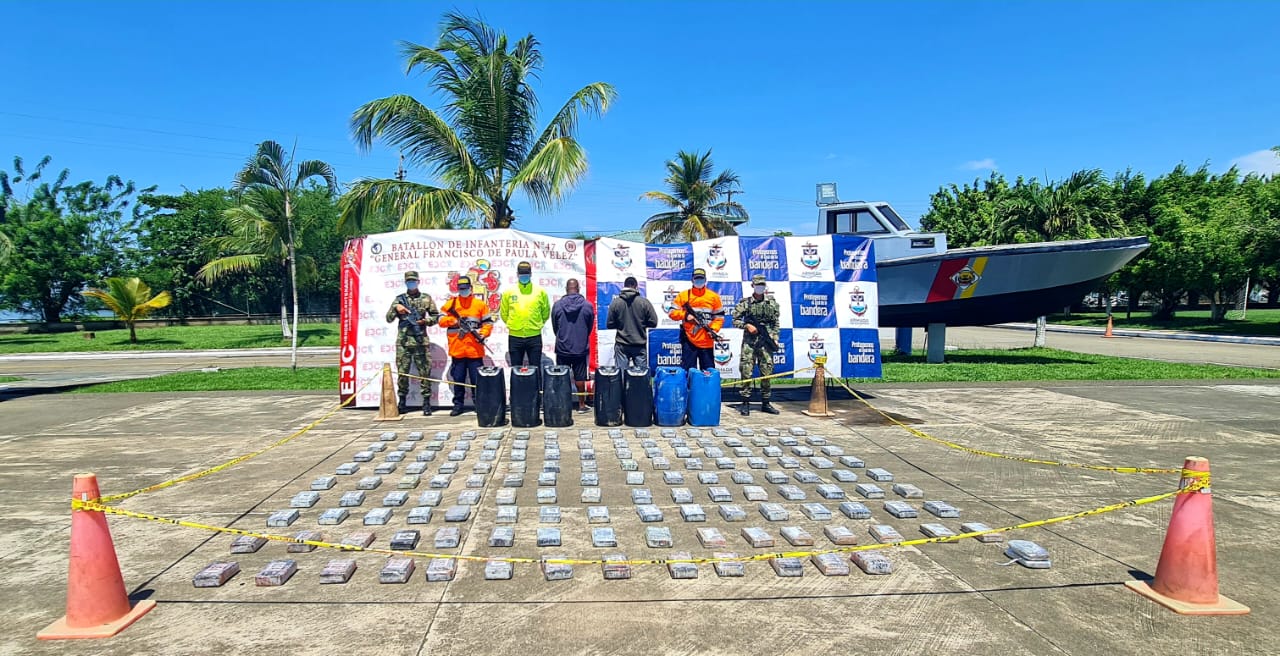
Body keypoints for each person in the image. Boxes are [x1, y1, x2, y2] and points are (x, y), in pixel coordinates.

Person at [385, 270, 439, 415]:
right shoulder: (399, 300)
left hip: (421, 341)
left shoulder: (426, 298)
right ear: (405, 282)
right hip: (403, 342)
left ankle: (426, 403)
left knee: (424, 373)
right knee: (403, 373)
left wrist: (424, 321)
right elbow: (388, 318)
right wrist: (396, 309)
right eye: (409, 281)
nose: (411, 283)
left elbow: (436, 317)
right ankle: (402, 401)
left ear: (418, 281)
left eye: (413, 281)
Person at [437, 275, 493, 417]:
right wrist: (454, 321)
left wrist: (483, 334)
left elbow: (488, 323)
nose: (463, 291)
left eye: (466, 288)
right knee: (459, 380)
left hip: (475, 350)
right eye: (461, 289)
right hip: (458, 349)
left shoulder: (480, 304)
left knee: (476, 381)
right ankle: (458, 405)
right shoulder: (451, 304)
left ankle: (479, 405)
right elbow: (440, 320)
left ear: (471, 288)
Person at [733, 274, 781, 416]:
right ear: (752, 286)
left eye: (762, 285)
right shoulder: (745, 303)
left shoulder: (771, 303)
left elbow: (775, 323)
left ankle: (766, 402)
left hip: (765, 341)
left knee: (766, 371)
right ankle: (745, 402)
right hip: (750, 342)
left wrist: (774, 337)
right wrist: (746, 325)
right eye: (757, 285)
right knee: (746, 369)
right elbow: (734, 320)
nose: (760, 287)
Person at [551, 278, 595, 413]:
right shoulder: (587, 305)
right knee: (580, 377)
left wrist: (561, 337)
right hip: (580, 347)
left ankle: (562, 403)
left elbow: (554, 326)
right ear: (578, 289)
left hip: (563, 347)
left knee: (561, 377)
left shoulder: (557, 305)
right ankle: (581, 405)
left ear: (566, 289)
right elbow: (590, 326)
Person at [667, 267, 723, 371]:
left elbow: (719, 317)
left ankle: (707, 388)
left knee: (708, 373)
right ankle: (689, 388)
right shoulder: (683, 295)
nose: (699, 281)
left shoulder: (714, 297)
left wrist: (714, 329)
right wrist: (685, 316)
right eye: (696, 278)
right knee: (688, 371)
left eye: (701, 278)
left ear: (705, 280)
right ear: (692, 280)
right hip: (689, 340)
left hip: (707, 339)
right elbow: (671, 312)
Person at [499, 260, 550, 369]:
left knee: (535, 368)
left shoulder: (540, 292)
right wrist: (513, 325)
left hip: (534, 336)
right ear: (517, 275)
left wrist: (537, 324)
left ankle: (536, 387)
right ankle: (517, 387)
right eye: (522, 275)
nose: (524, 277)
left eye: (526, 274)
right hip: (515, 336)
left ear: (531, 274)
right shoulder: (509, 292)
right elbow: (504, 313)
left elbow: (545, 312)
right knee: (516, 369)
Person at [606, 275, 658, 372]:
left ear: (624, 286)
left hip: (621, 344)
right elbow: (653, 322)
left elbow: (609, 324)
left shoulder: (616, 302)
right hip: (639, 344)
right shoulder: (644, 302)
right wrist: (641, 323)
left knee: (620, 376)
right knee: (641, 377)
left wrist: (621, 323)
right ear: (636, 286)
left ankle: (622, 387)